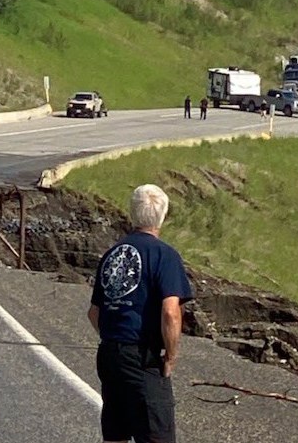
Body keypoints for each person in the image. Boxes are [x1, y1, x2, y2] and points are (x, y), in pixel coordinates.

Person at [88, 184, 193, 443]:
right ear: (162, 216)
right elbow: (170, 312)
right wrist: (170, 355)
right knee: (157, 434)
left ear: (132, 213)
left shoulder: (112, 254)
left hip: (111, 352)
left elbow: (93, 313)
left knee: (116, 432)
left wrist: (115, 337)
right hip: (142, 356)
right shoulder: (165, 255)